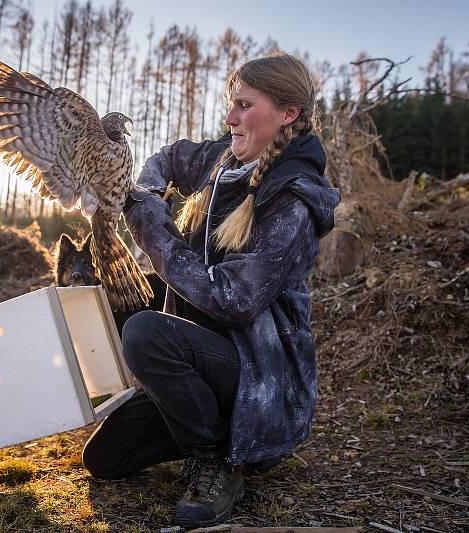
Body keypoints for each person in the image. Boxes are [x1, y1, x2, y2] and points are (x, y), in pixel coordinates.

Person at [82, 54, 341, 527]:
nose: (230, 117)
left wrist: (149, 223)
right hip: (213, 362)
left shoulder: (293, 199)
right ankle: (205, 428)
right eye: (231, 103)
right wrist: (148, 189)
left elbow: (234, 299)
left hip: (261, 379)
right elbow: (168, 158)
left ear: (288, 114)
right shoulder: (225, 161)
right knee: (105, 459)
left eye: (244, 105)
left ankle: (219, 460)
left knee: (144, 333)